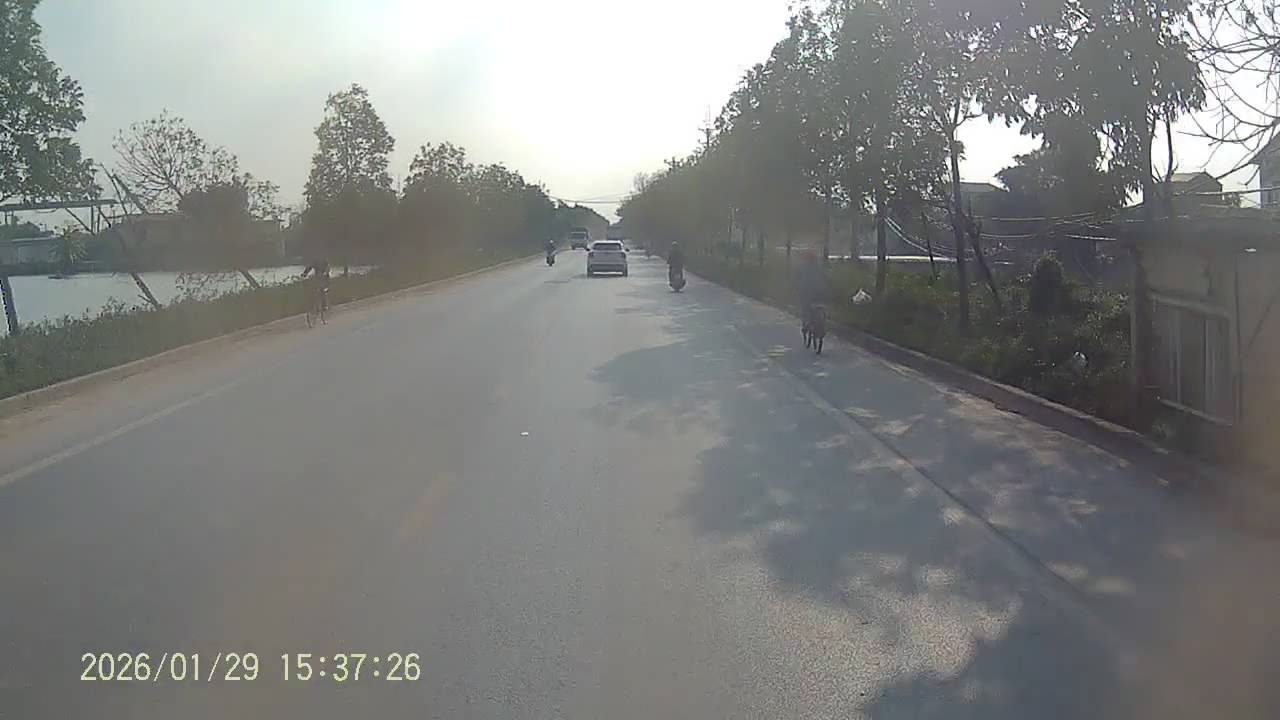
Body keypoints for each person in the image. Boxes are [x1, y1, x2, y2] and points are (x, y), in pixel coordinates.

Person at [794, 251, 829, 331]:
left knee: (804, 306)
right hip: (821, 291)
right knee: (823, 304)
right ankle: (823, 322)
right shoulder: (820, 267)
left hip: (807, 291)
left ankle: (806, 322)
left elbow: (796, 279)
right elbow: (827, 278)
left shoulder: (802, 268)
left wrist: (796, 287)